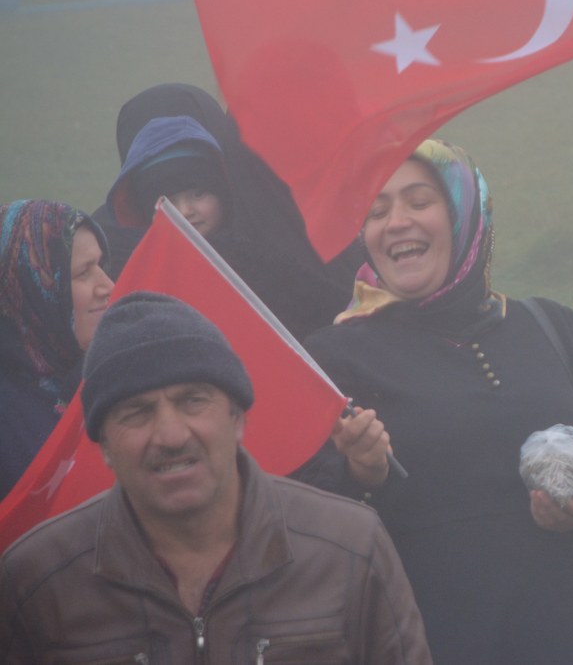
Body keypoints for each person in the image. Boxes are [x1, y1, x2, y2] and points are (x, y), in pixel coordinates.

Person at [299, 138, 573, 665]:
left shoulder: (550, 325)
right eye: (376, 211)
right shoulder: (334, 357)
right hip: (429, 645)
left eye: (419, 201)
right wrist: (360, 474)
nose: (396, 222)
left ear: (466, 215)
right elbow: (292, 518)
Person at [0, 292, 431, 664]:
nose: (170, 435)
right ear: (104, 443)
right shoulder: (37, 581)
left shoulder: (350, 551)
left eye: (193, 401)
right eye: (136, 412)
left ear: (238, 417)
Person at [93, 83, 353, 340]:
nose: (185, 211)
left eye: (198, 193)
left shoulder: (263, 262)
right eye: (167, 199)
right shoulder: (117, 263)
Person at [0, 200, 114, 497]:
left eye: (101, 266)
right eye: (83, 273)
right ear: (32, 289)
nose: (108, 286)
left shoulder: (112, 372)